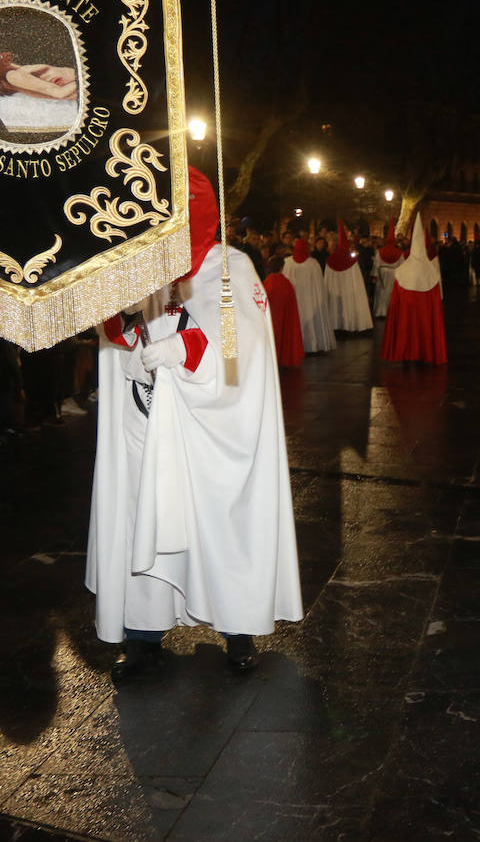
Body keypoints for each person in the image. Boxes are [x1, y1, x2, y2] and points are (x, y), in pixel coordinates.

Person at [88, 168, 303, 682]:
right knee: (143, 513)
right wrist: (122, 326)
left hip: (208, 429)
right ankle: (141, 636)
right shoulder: (133, 266)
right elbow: (113, 326)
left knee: (215, 517)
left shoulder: (230, 265)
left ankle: (236, 628)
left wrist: (182, 348)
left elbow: (242, 344)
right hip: (145, 416)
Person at [381, 215, 447, 364]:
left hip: (407, 310)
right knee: (425, 330)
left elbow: (395, 299)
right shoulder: (430, 271)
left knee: (407, 329)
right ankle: (426, 352)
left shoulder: (403, 270)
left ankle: (406, 352)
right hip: (424, 313)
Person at [284, 238, 337, 353]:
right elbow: (319, 285)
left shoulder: (287, 263)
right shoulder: (313, 264)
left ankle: (295, 345)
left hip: (295, 299)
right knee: (312, 322)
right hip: (311, 300)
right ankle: (313, 344)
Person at [323, 223, 374, 333]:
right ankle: (351, 323)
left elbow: (327, 280)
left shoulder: (330, 260)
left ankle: (336, 323)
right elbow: (357, 281)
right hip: (349, 291)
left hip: (335, 291)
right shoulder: (351, 261)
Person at [261, 256, 304, 368]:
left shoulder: (266, 283)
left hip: (270, 319)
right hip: (284, 319)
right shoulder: (286, 283)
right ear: (281, 268)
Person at [372, 233, 405, 318]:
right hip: (394, 273)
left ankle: (381, 311)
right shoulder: (400, 253)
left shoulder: (380, 251)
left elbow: (376, 264)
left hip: (382, 272)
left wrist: (375, 275)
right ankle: (392, 311)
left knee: (381, 291)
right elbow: (402, 265)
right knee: (392, 291)